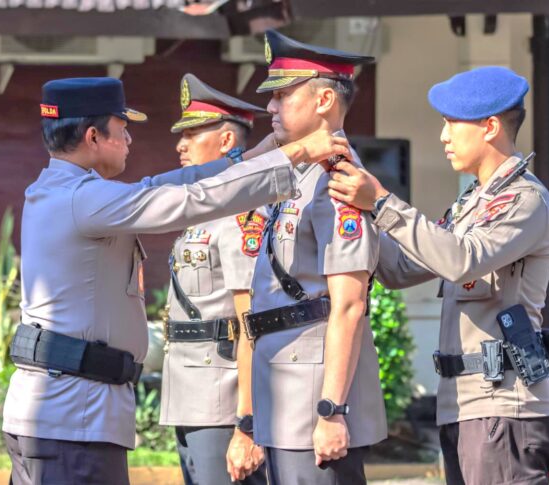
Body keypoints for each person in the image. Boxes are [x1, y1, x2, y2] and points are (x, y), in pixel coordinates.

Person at [1, 76, 352, 485]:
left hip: (63, 413)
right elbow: (188, 200)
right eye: (122, 129)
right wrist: (295, 154)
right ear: (93, 136)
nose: (130, 139)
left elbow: (160, 186)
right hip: (72, 417)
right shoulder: (84, 199)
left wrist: (254, 156)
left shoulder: (66, 191)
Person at [327, 66, 549, 485]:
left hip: (504, 405)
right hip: (462, 405)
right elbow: (399, 270)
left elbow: (463, 260)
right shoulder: (468, 205)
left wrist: (380, 202)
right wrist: (356, 211)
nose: (443, 136)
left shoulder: (525, 201)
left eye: (453, 123)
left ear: (489, 127)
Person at [228, 30, 388, 485]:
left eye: (282, 95)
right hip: (281, 385)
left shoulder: (338, 178)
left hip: (311, 394)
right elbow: (229, 178)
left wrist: (332, 409)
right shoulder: (297, 171)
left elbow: (350, 302)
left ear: (323, 101)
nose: (271, 108)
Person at [159, 73, 268, 485]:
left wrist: (247, 421)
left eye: (193, 133)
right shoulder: (203, 213)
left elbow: (249, 321)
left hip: (222, 400)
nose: (180, 145)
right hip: (189, 393)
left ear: (225, 142)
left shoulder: (242, 215)